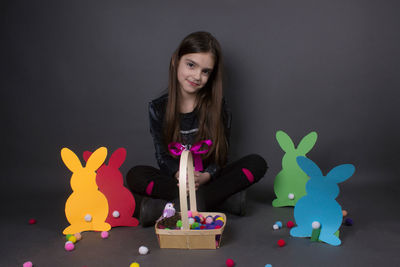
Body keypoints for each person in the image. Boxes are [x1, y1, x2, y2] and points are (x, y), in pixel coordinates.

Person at [126, 31, 267, 226]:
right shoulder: (157, 108)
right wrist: (180, 175)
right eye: (191, 65)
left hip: (209, 180)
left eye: (205, 71)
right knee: (135, 175)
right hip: (177, 182)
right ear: (176, 60)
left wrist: (206, 176)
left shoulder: (218, 107)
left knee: (256, 163)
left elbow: (222, 154)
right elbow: (162, 155)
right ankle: (221, 202)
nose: (197, 76)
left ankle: (164, 209)